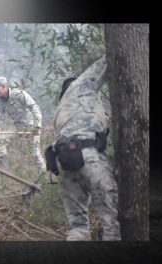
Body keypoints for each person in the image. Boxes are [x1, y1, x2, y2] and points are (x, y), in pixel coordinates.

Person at [46, 56, 121, 240]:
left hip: (65, 162)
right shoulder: (82, 84)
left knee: (77, 224)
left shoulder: (59, 111)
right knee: (110, 221)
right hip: (90, 156)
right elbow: (109, 59)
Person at [0, 76, 47, 181]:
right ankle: (4, 170)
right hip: (17, 126)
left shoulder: (19, 94)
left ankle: (43, 177)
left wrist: (37, 126)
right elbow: (0, 117)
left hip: (31, 126)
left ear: (3, 86)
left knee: (35, 153)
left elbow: (34, 108)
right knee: (0, 139)